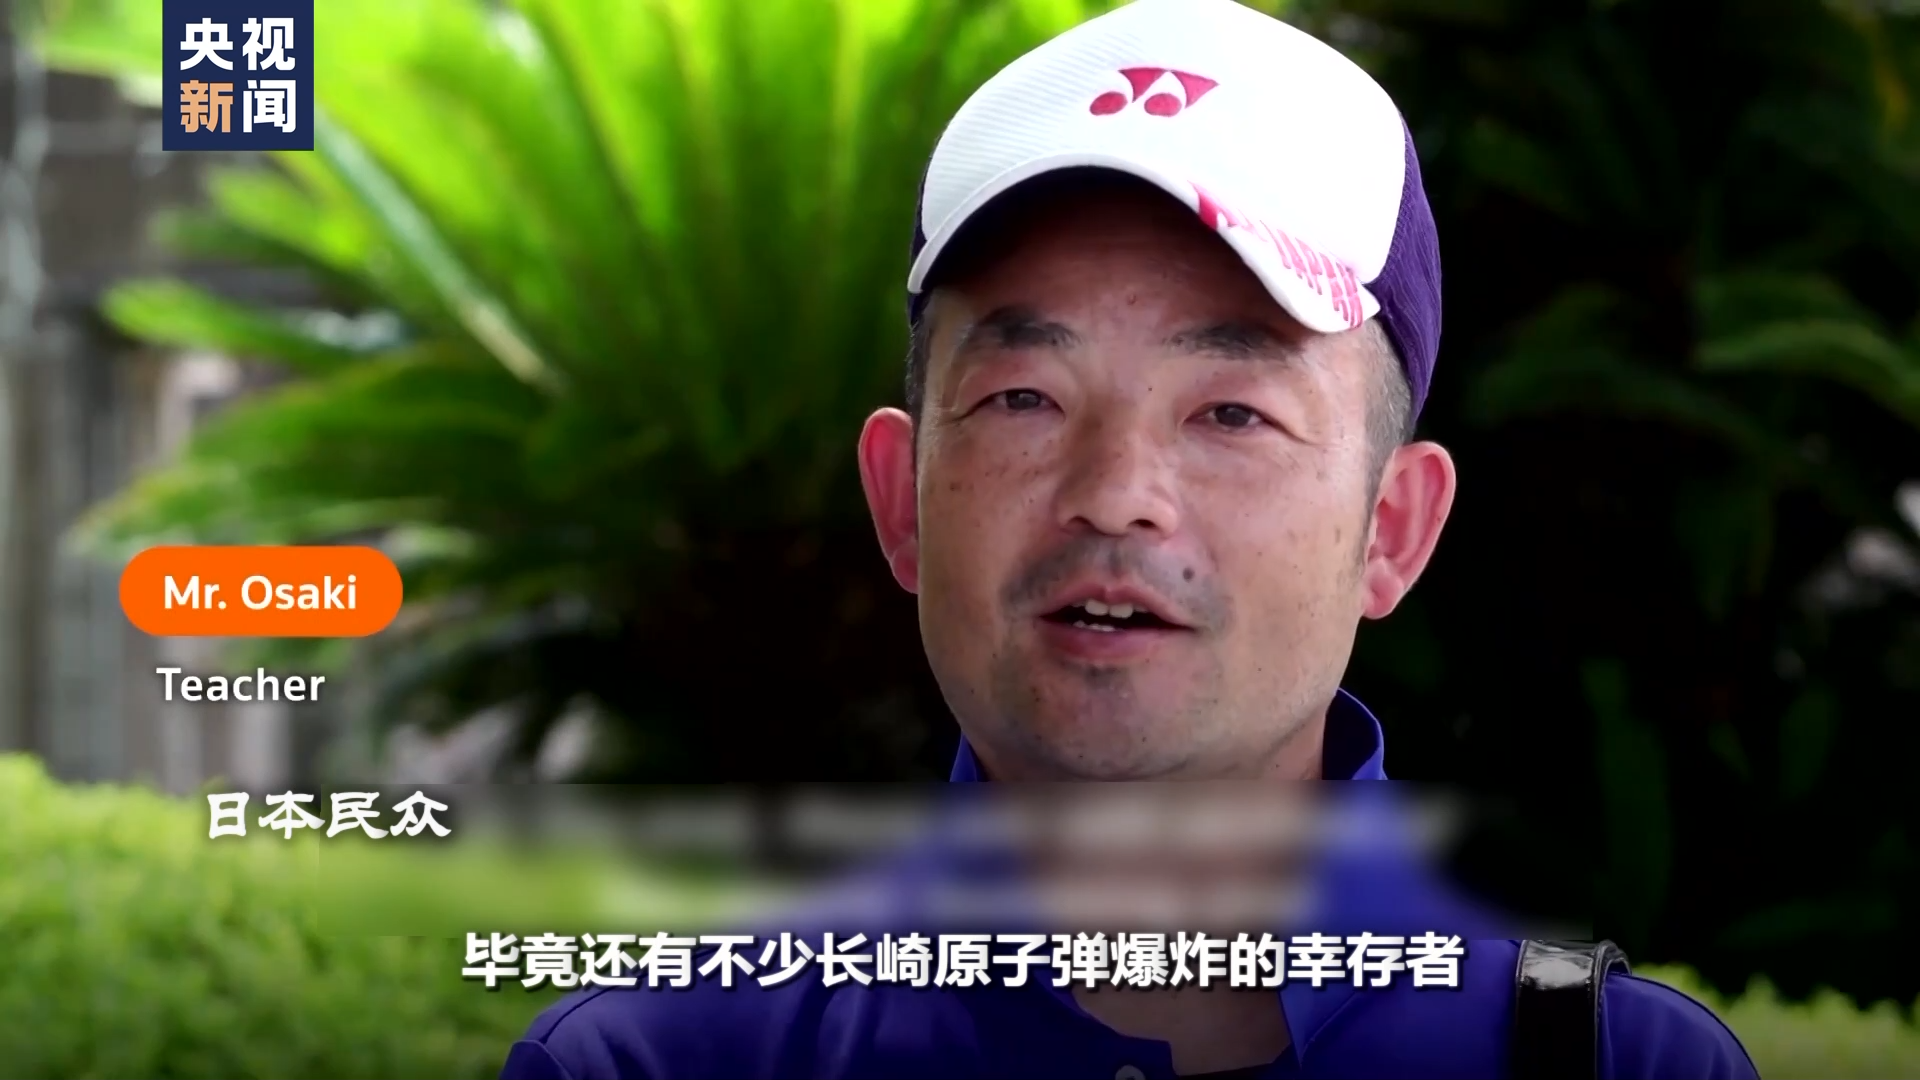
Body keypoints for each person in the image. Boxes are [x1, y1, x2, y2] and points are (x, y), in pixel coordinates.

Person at [501, 0, 1762, 1076]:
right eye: (1024, 398)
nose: (1115, 494)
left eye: (1231, 412)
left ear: (1392, 528)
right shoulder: (654, 1062)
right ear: (902, 498)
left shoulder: (1619, 1066)